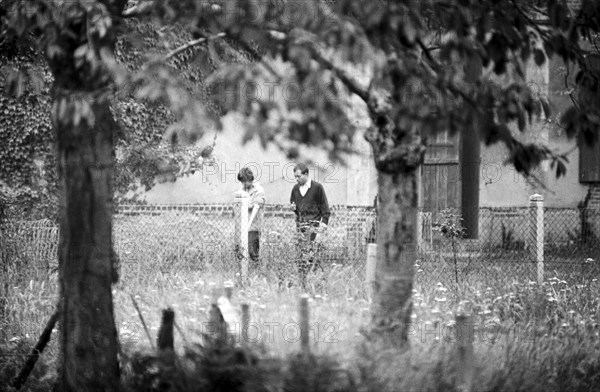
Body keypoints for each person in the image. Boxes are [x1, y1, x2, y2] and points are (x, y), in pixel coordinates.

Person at [289, 163, 330, 281]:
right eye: (295, 177)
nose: (296, 179)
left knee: (311, 256)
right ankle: (302, 280)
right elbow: (295, 207)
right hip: (300, 227)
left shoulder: (317, 188)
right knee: (300, 256)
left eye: (298, 176)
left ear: (306, 174)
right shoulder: (295, 189)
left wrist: (323, 226)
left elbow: (325, 210)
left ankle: (314, 280)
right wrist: (294, 209)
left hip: (314, 227)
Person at [237, 167, 265, 266]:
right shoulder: (242, 190)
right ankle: (243, 270)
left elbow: (257, 205)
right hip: (242, 225)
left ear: (250, 179)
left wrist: (247, 204)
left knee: (252, 250)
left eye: (245, 181)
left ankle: (256, 269)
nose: (244, 184)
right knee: (239, 249)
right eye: (242, 182)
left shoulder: (259, 190)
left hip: (253, 226)